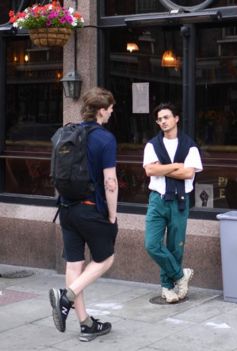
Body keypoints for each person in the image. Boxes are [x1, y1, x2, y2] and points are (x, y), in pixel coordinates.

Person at [49, 87, 118, 342]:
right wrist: (112, 215)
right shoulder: (105, 139)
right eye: (110, 108)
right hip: (91, 209)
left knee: (75, 264)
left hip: (66, 208)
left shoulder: (68, 133)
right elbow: (110, 182)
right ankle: (65, 297)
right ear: (101, 110)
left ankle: (86, 324)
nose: (111, 112)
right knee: (105, 259)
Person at [143, 103, 203, 303]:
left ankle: (167, 287)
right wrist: (176, 166)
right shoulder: (152, 145)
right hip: (157, 199)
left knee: (175, 246)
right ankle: (180, 275)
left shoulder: (189, 145)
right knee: (152, 244)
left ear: (176, 118)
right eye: (159, 119)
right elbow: (150, 171)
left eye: (166, 117)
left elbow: (188, 173)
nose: (163, 122)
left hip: (180, 201)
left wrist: (164, 168)